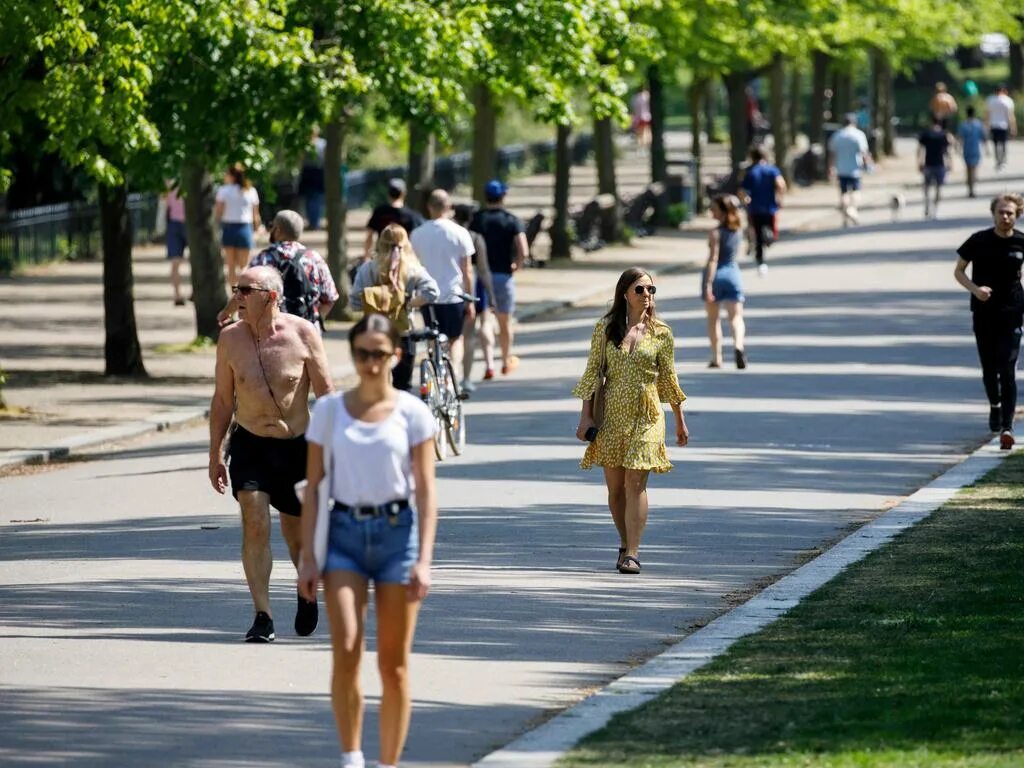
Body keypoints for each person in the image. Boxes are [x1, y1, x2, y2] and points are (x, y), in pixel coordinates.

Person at [297, 313, 438, 768]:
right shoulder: (329, 412)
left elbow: (427, 494)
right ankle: (352, 757)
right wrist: (307, 559)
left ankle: (388, 763)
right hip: (344, 537)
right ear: (353, 355)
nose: (371, 363)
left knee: (393, 666)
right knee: (348, 648)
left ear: (396, 355)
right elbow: (314, 488)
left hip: (398, 537)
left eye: (380, 354)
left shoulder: (414, 412)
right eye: (362, 354)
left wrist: (424, 561)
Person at [209, 266, 333, 642]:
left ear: (271, 296)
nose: (238, 297)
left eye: (246, 290)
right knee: (255, 520)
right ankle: (262, 614)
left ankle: (306, 589)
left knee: (297, 537)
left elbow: (327, 395)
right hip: (250, 443)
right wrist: (215, 453)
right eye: (236, 289)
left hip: (297, 447)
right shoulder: (230, 339)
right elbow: (221, 400)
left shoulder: (303, 334)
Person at [573, 267, 689, 575]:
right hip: (612, 414)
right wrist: (586, 416)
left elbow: (668, 379)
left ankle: (634, 552)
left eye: (651, 290)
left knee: (635, 482)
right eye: (640, 290)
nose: (647, 296)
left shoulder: (661, 333)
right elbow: (593, 373)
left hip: (648, 414)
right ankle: (624, 543)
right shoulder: (606, 328)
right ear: (625, 293)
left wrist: (679, 420)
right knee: (616, 488)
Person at [954, 194, 1024, 450]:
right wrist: (975, 289)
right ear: (993, 214)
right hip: (984, 313)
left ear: (1017, 215)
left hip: (1013, 312)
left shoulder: (1021, 241)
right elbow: (958, 271)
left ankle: (1007, 427)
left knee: (1007, 368)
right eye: (1001, 212)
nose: (1005, 217)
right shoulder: (978, 240)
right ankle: (994, 405)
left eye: (1010, 213)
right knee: (989, 369)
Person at [351, 223, 440, 391]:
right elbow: (432, 292)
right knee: (403, 386)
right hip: (403, 332)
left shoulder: (368, 269)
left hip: (374, 332)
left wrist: (374, 302)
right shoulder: (412, 269)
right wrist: (408, 303)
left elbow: (354, 302)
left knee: (376, 383)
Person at [217, 210, 339, 331]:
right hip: (307, 330)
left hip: (273, 330)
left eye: (272, 226)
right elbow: (330, 297)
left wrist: (226, 312)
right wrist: (316, 322)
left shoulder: (264, 258)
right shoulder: (314, 258)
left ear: (278, 230)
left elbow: (244, 290)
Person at [410, 189, 476, 378]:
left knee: (433, 338)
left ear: (428, 207)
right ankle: (453, 373)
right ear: (448, 207)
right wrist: (469, 299)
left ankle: (437, 373)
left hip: (427, 297)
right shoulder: (460, 233)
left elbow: (414, 267)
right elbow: (467, 270)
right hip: (453, 295)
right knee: (456, 339)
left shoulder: (417, 234)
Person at [470, 180, 527, 375]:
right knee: (505, 322)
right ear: (503, 196)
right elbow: (523, 249)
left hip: (481, 276)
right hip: (504, 275)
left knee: (485, 321)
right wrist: (516, 265)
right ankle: (505, 360)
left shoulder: (477, 220)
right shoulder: (512, 220)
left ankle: (489, 365)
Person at [454, 203, 496, 391]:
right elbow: (484, 269)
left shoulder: (451, 235)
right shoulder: (476, 238)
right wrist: (491, 294)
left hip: (452, 286)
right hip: (474, 286)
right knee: (469, 335)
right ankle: (466, 378)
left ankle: (450, 374)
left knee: (453, 336)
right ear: (471, 218)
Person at [702, 195, 748, 369]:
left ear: (722, 211)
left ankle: (717, 357)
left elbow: (713, 259)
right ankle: (738, 346)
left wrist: (708, 283)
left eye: (713, 208)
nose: (711, 211)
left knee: (713, 321)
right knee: (736, 318)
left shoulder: (715, 233)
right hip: (733, 275)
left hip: (716, 277)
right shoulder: (738, 230)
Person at [739, 146, 786, 276]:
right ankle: (769, 240)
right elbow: (781, 185)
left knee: (757, 234)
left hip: (754, 208)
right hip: (770, 207)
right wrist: (779, 198)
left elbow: (742, 191)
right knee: (771, 231)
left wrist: (745, 200)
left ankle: (760, 261)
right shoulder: (772, 170)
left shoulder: (749, 171)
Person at [215, 163, 262, 288]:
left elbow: (218, 212)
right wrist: (257, 229)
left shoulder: (223, 190)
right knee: (245, 266)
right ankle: (244, 295)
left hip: (229, 228)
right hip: (245, 229)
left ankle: (233, 295)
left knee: (231, 266)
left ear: (232, 176)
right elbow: (256, 215)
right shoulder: (251, 191)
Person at [363, 179, 425, 265]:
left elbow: (369, 236)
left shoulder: (379, 212)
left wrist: (366, 257)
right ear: (404, 193)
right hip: (404, 260)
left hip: (382, 259)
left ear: (388, 193)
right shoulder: (412, 216)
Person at [828, 113, 872, 227]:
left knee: (843, 193)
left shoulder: (837, 135)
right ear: (854, 122)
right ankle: (852, 209)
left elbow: (832, 154)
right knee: (856, 192)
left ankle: (845, 215)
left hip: (841, 168)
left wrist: (831, 167)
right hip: (855, 169)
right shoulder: (859, 135)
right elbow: (864, 153)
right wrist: (869, 165)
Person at [918, 116, 952, 219]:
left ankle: (927, 206)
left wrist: (919, 162)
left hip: (928, 164)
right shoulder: (943, 135)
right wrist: (950, 162)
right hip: (940, 164)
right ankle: (935, 209)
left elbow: (920, 149)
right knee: (938, 188)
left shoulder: (926, 134)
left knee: (926, 188)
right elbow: (947, 151)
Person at [164, 183, 188, 306]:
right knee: (177, 262)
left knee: (175, 262)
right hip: (184, 223)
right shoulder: (190, 178)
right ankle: (179, 294)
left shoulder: (169, 182)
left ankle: (177, 294)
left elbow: (165, 201)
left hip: (177, 223)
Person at [298, 127, 327, 230]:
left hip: (313, 172)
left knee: (313, 199)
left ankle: (314, 222)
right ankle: (313, 222)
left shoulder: (319, 143)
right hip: (315, 172)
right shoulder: (322, 143)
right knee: (313, 199)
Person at [958, 105, 987, 198]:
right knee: (974, 169)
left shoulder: (963, 125)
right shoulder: (978, 124)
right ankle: (972, 188)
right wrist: (987, 149)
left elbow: (960, 138)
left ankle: (970, 189)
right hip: (975, 149)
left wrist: (958, 148)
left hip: (966, 150)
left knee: (968, 170)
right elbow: (984, 137)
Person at [985, 85, 1016, 170]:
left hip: (994, 125)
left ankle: (997, 160)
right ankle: (1003, 160)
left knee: (995, 144)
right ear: (1004, 91)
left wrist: (986, 126)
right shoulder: (1008, 100)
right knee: (1003, 144)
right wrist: (1013, 127)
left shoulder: (990, 100)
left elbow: (987, 115)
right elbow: (1010, 115)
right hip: (1004, 125)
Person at [631, 87, 652, 151]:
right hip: (646, 116)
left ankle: (641, 146)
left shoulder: (635, 97)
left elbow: (633, 108)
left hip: (638, 117)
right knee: (647, 131)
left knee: (640, 132)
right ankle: (645, 145)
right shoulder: (646, 95)